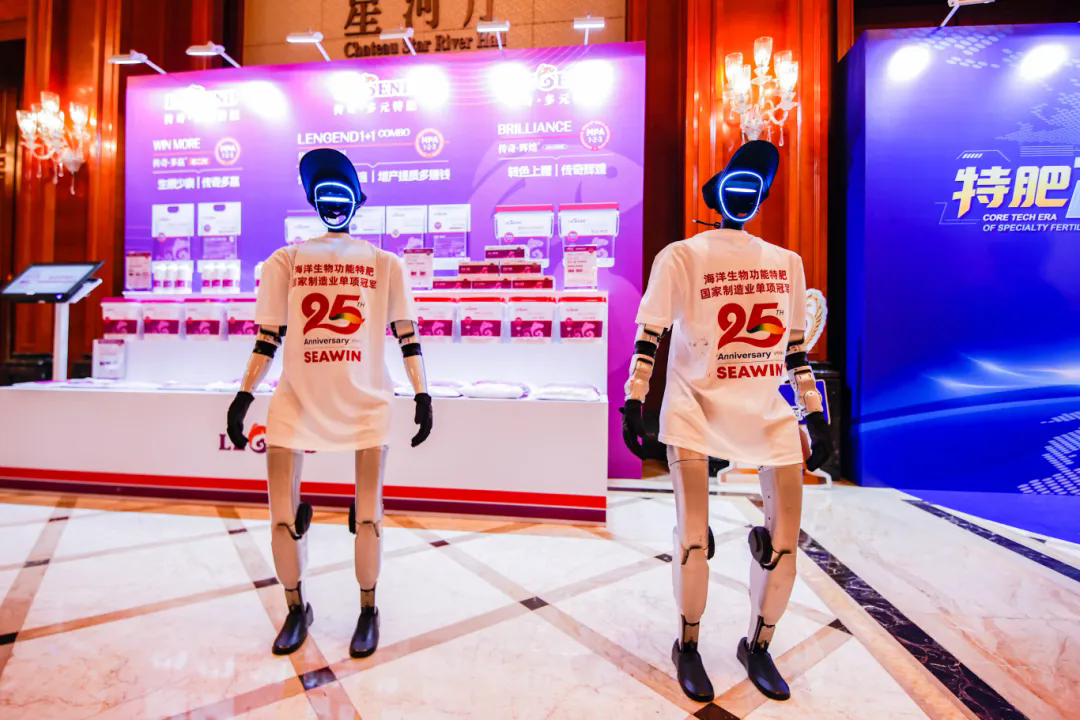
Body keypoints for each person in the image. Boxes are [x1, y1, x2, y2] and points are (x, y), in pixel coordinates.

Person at [621, 140, 832, 703]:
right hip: (694, 406)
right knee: (694, 541)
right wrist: (634, 398)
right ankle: (688, 644)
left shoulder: (787, 263)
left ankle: (758, 644)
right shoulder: (681, 257)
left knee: (783, 544)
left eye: (753, 185)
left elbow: (795, 351)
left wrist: (814, 414)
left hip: (766, 410)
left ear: (761, 197)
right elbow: (650, 333)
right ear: (715, 195)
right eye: (735, 183)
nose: (743, 193)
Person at [225, 148, 433, 657]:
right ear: (312, 201)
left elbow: (407, 336)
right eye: (324, 193)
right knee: (281, 514)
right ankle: (296, 607)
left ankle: (368, 608)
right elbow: (267, 339)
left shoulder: (386, 264)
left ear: (358, 201)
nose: (333, 203)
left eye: (342, 193)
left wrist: (422, 393)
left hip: (366, 400)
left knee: (368, 515)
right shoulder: (285, 261)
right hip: (296, 398)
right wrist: (243, 395)